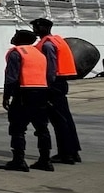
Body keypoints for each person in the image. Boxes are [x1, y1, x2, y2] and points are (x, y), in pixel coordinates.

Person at [0, 28, 56, 172]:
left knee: (17, 129)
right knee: (42, 129)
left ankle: (19, 161)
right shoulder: (39, 53)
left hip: (23, 94)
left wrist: (6, 96)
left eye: (15, 35)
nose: (13, 38)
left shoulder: (16, 52)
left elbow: (11, 77)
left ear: (20, 39)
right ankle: (45, 160)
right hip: (42, 93)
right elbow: (49, 75)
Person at [32, 16, 83, 164]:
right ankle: (73, 152)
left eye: (35, 27)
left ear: (42, 28)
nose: (34, 30)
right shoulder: (58, 40)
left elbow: (51, 68)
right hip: (61, 83)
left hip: (53, 85)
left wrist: (46, 86)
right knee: (66, 119)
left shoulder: (48, 45)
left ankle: (66, 154)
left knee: (58, 121)